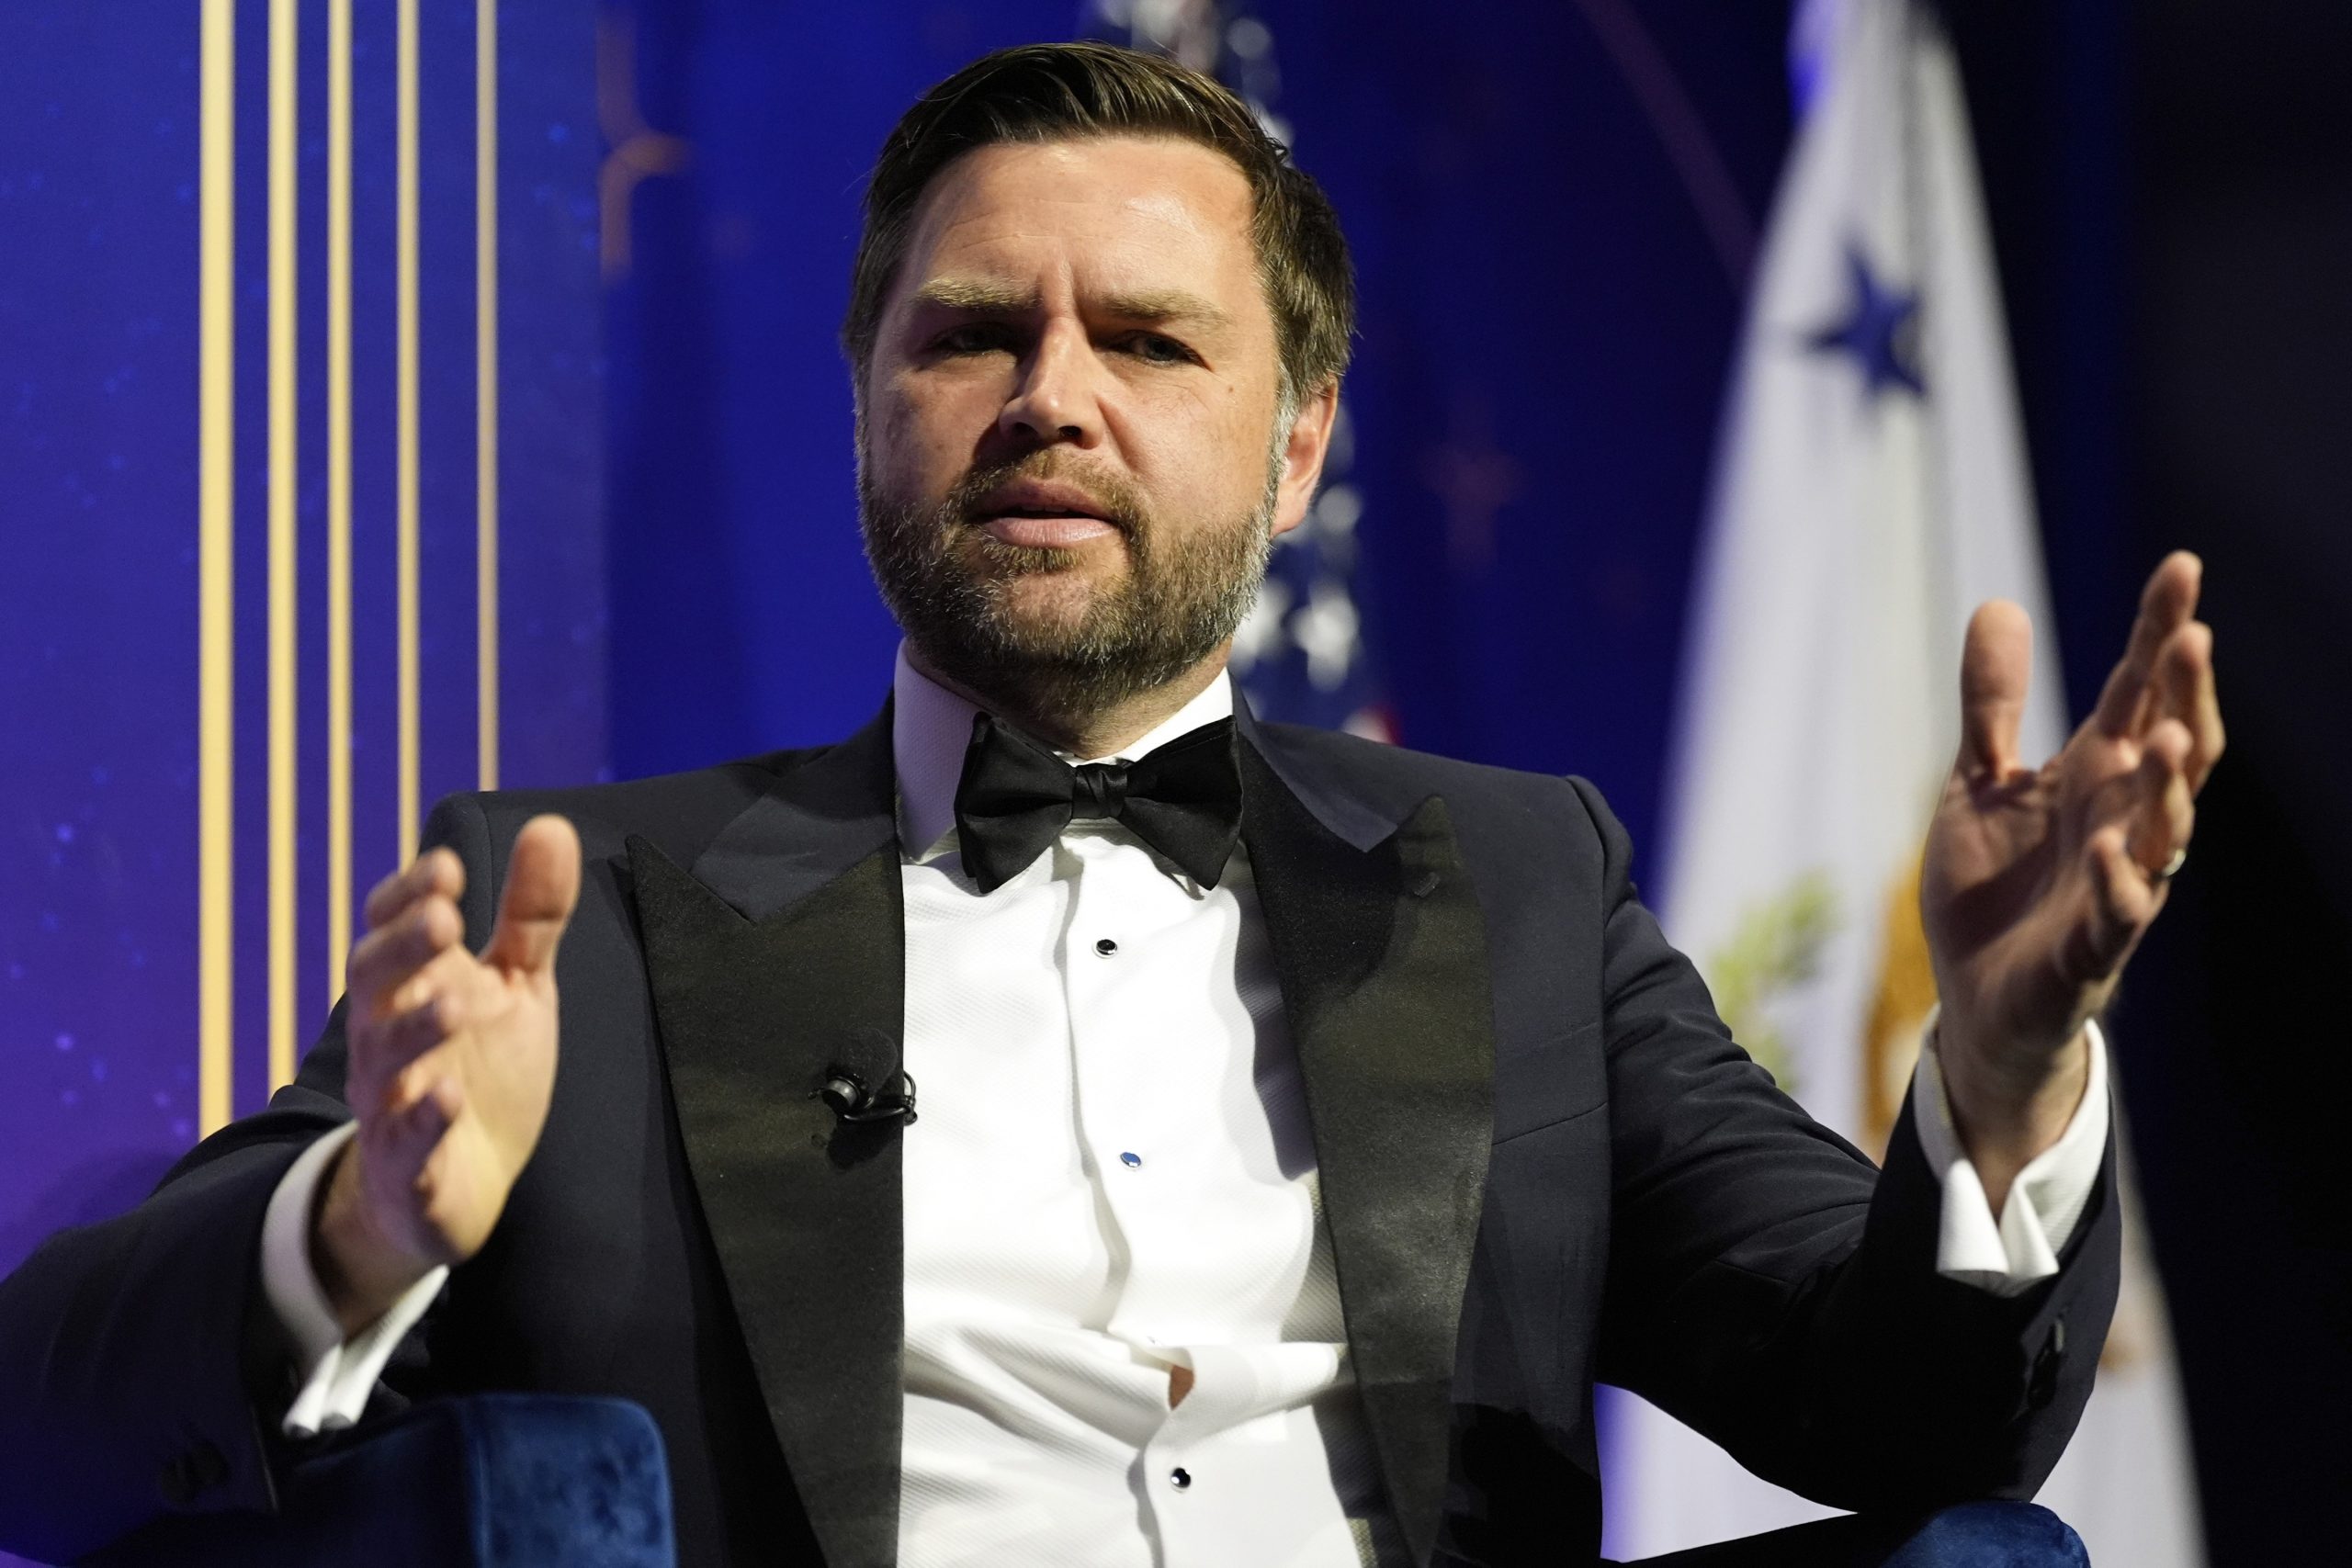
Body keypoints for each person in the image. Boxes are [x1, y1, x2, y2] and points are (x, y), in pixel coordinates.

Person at [0, 41, 2222, 1568]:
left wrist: (2003, 1066)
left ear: (1296, 445)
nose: (1048, 395)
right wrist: (364, 1225)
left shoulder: (1518, 884)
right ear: (865, 406)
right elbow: (45, 1418)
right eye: (971, 332)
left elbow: (1907, 1419)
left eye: (1148, 341)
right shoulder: (574, 908)